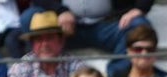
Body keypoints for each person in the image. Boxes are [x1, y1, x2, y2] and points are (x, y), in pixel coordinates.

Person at [17, 0, 153, 56]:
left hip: (108, 24)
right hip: (62, 28)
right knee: (29, 19)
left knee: (139, 25)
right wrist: (60, 10)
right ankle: (42, 74)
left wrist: (139, 8)